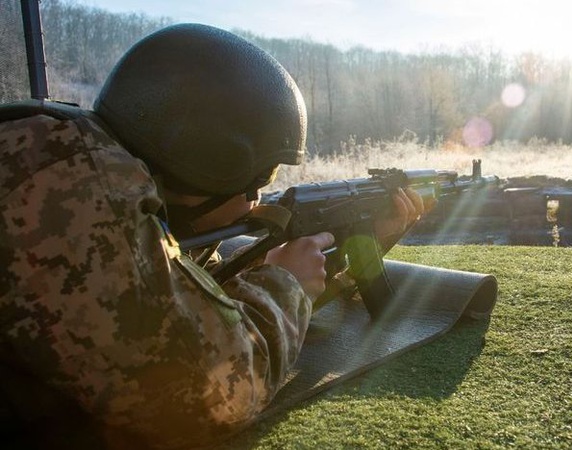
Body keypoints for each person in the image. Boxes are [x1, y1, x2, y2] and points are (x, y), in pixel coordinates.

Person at [0, 23, 425, 449]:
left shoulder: (71, 154)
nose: (256, 198)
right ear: (211, 163)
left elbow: (170, 294)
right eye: (262, 177)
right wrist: (285, 283)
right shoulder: (78, 190)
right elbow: (205, 391)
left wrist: (356, 246)